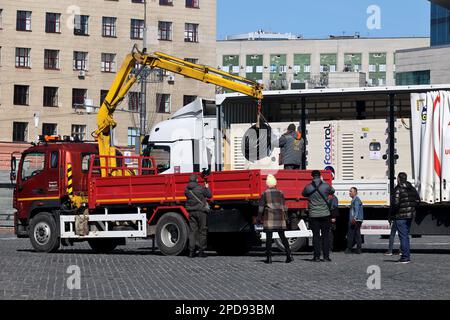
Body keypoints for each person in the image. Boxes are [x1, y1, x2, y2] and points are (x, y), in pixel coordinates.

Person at [257, 174, 293, 264]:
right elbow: (284, 206)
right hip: (280, 217)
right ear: (275, 183)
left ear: (267, 184)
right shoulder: (280, 193)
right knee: (283, 237)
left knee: (269, 239)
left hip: (269, 217)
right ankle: (289, 255)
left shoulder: (265, 193)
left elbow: (261, 207)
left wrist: (259, 217)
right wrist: (287, 217)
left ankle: (269, 258)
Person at [302, 170, 334, 262]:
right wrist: (323, 182)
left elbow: (303, 194)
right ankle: (326, 257)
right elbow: (332, 191)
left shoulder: (308, 187)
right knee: (326, 236)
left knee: (315, 236)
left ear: (312, 176)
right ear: (320, 176)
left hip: (313, 214)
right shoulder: (326, 186)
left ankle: (316, 256)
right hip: (325, 214)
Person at [392, 172, 420, 264]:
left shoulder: (398, 189)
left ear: (399, 179)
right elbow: (417, 200)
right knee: (406, 236)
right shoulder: (411, 188)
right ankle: (406, 256)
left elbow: (395, 204)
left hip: (400, 216)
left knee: (403, 237)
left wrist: (392, 214)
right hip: (410, 215)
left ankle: (405, 257)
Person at [185, 174, 212, 258]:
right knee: (202, 231)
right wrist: (207, 187)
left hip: (191, 211)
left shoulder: (186, 190)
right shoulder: (200, 188)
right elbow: (209, 195)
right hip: (201, 211)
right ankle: (201, 251)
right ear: (196, 180)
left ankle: (191, 252)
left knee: (193, 231)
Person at [345, 187, 364, 254]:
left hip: (355, 220)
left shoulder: (356, 200)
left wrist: (354, 218)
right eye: (349, 191)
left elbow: (356, 210)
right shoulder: (355, 199)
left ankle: (349, 249)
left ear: (355, 192)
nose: (349, 193)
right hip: (357, 220)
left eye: (351, 191)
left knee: (351, 234)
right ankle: (358, 249)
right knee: (357, 234)